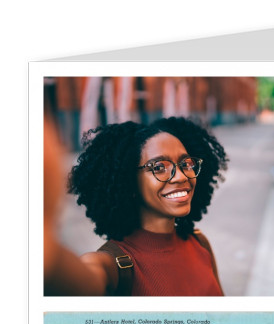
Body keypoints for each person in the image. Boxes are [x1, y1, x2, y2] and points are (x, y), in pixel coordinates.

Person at [45, 116, 228, 296]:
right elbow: (70, 279)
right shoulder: (111, 266)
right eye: (159, 167)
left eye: (186, 163)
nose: (181, 176)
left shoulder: (200, 243)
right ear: (129, 181)